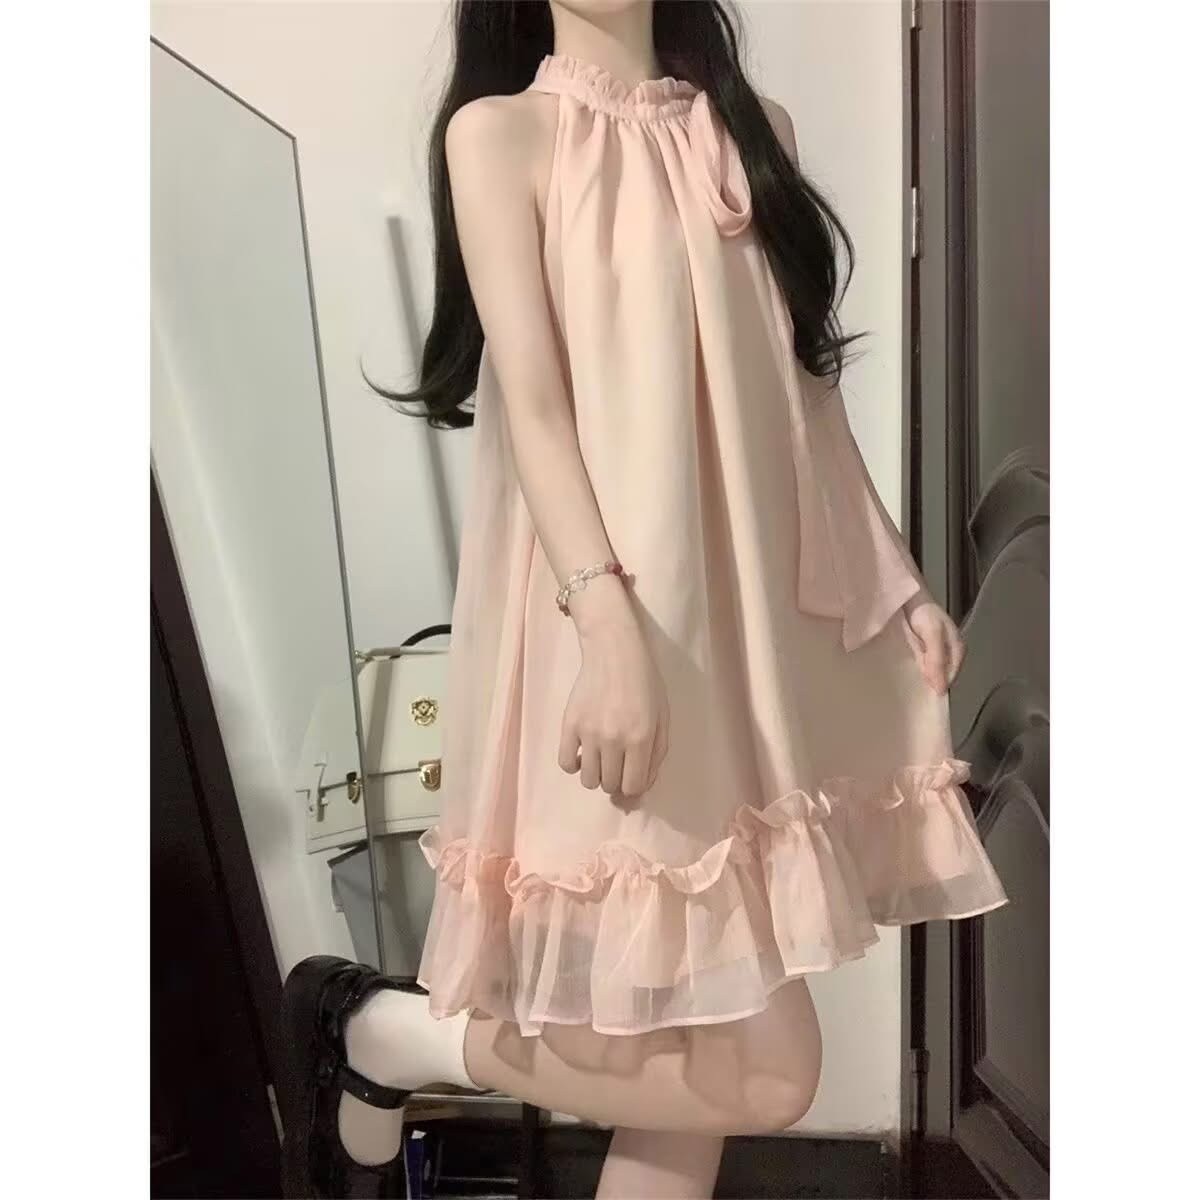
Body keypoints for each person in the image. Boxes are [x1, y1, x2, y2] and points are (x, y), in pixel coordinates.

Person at [280, 3, 1009, 1197]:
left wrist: (894, 578)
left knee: (709, 1044)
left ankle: (385, 1040)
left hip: (739, 643)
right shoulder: (500, 135)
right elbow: (536, 410)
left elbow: (804, 399)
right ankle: (389, 1037)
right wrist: (608, 628)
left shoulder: (752, 132)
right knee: (762, 1067)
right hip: (609, 629)